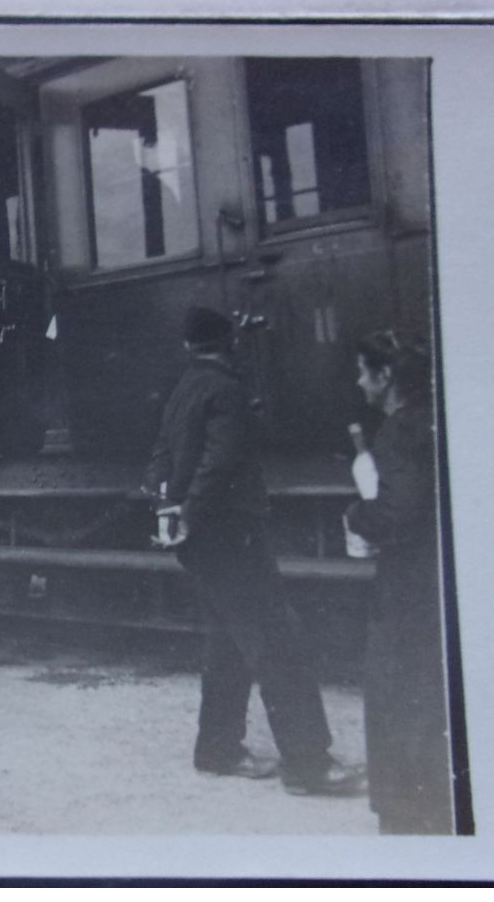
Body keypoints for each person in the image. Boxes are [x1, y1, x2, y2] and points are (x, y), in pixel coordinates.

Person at [145, 306, 363, 796]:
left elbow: (159, 456)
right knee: (276, 640)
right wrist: (194, 509)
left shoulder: (183, 390)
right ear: (231, 344)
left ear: (187, 347)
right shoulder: (227, 389)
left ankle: (217, 750)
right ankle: (309, 766)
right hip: (232, 535)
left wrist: (169, 507)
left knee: (228, 642)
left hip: (200, 540)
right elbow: (220, 462)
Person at [344, 330, 455, 834]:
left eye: (365, 371)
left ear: (386, 377)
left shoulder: (397, 432)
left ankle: (406, 813)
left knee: (397, 690)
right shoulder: (433, 417)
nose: (359, 381)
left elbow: (396, 515)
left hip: (408, 586)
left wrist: (357, 516)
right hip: (436, 578)